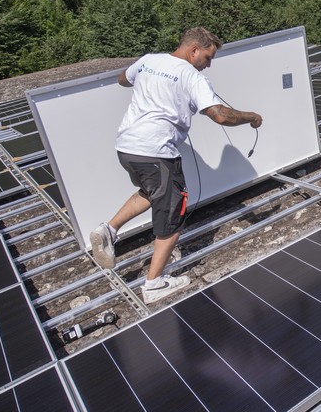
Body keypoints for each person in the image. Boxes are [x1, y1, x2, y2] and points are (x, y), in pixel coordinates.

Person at [89, 27, 263, 304]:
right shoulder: (191, 76)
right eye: (207, 57)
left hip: (127, 147)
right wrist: (251, 116)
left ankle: (108, 231)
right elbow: (219, 115)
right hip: (155, 151)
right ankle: (154, 283)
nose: (208, 64)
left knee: (151, 192)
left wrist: (151, 85)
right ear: (194, 50)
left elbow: (123, 79)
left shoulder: (149, 60)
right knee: (172, 212)